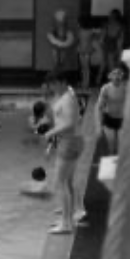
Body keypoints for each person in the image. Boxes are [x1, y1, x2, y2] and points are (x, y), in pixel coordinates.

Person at [43, 72, 85, 234]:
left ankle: (66, 223)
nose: (51, 87)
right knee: (67, 182)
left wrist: (51, 132)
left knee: (61, 183)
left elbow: (69, 123)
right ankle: (70, 215)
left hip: (69, 142)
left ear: (61, 82)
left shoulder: (68, 98)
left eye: (53, 84)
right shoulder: (66, 95)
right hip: (71, 141)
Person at [97, 66, 128, 155]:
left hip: (122, 120)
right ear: (109, 76)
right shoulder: (105, 89)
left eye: (119, 73)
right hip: (109, 119)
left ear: (122, 76)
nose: (117, 76)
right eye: (114, 73)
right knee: (111, 147)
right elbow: (100, 107)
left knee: (120, 147)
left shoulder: (126, 88)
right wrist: (100, 123)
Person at [99, 8, 126, 82]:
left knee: (106, 64)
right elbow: (120, 41)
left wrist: (101, 44)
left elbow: (102, 38)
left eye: (110, 14)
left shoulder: (107, 25)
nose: (109, 16)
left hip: (109, 46)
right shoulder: (119, 26)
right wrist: (119, 51)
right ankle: (113, 81)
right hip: (112, 46)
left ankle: (101, 81)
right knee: (112, 65)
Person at [76, 15, 100, 90]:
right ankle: (85, 83)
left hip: (82, 50)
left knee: (84, 68)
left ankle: (85, 83)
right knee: (86, 68)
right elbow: (98, 32)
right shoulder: (90, 31)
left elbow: (78, 38)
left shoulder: (80, 30)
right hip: (86, 50)